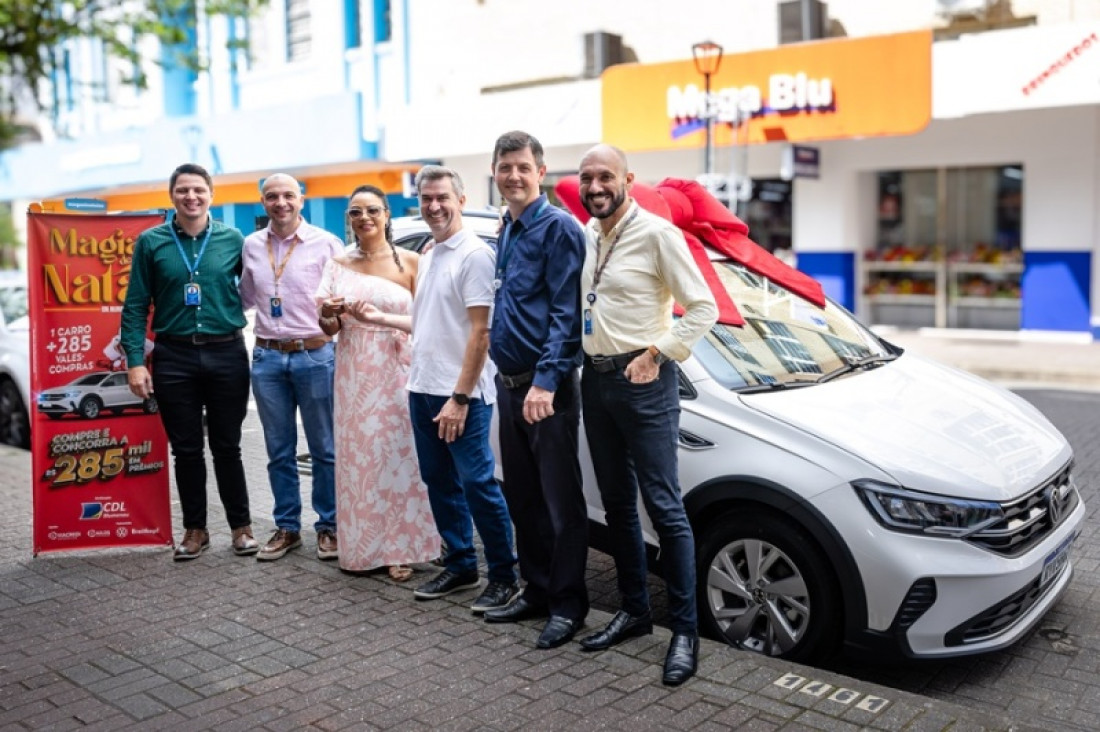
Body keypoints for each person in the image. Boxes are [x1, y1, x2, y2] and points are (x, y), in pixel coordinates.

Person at [574, 145, 718, 686]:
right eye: (587, 178)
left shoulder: (658, 234)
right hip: (597, 380)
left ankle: (685, 632)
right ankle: (634, 612)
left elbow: (701, 307)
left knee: (664, 506)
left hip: (645, 381)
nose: (595, 186)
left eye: (604, 176)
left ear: (627, 180)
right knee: (615, 505)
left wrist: (656, 353)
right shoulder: (587, 235)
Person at [480, 131, 589, 649]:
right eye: (506, 167)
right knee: (522, 498)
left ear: (540, 172)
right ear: (496, 173)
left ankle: (568, 605)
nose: (515, 176)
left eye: (524, 167)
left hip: (546, 392)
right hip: (509, 387)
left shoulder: (558, 228)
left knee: (560, 505)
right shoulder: (508, 228)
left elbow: (568, 316)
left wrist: (545, 382)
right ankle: (537, 589)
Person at [121, 163, 259, 561]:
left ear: (211, 195)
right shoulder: (151, 242)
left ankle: (242, 527)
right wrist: (135, 360)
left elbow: (258, 289)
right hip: (173, 355)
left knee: (227, 446)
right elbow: (134, 306)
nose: (191, 197)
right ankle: (195, 530)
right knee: (185, 449)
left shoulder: (234, 240)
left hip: (226, 351)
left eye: (198, 189)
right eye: (183, 190)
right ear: (172, 196)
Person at [404, 165, 518, 613]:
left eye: (442, 198)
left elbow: (481, 334)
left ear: (461, 200)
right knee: (439, 481)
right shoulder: (432, 253)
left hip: (461, 394)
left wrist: (460, 397)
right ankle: (461, 562)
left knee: (477, 483)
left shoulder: (474, 255)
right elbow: (428, 321)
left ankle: (505, 576)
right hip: (422, 387)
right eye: (426, 198)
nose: (434, 206)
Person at [315, 184, 440, 580]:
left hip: (401, 367)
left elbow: (430, 321)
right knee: (360, 459)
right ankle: (363, 548)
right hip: (354, 370)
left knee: (402, 454)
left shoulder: (412, 263)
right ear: (348, 219)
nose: (364, 218)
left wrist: (384, 322)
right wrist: (331, 314)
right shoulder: (336, 263)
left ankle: (403, 547)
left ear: (386, 214)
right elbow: (325, 328)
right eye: (355, 212)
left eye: (371, 210)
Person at [239, 173, 344, 562]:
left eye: (288, 195)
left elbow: (341, 301)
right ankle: (287, 527)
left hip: (315, 354)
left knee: (324, 448)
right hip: (267, 357)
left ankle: (329, 526)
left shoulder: (327, 243)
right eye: (271, 197)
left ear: (301, 199)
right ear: (262, 202)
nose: (280, 203)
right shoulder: (251, 246)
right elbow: (246, 299)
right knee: (278, 449)